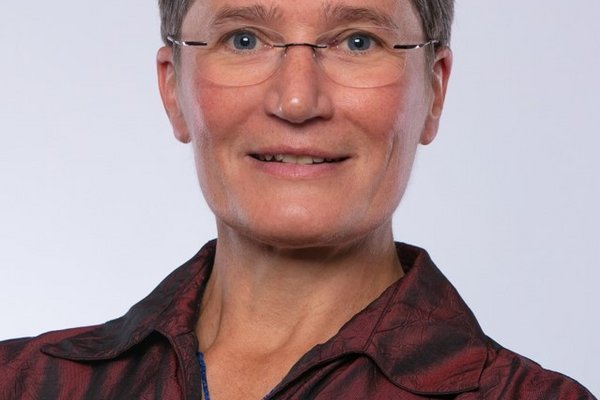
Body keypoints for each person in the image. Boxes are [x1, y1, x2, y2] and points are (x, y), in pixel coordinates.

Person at [0, 0, 596, 398]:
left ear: (434, 91)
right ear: (173, 89)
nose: (296, 100)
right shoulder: (20, 383)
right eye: (243, 39)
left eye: (358, 41)